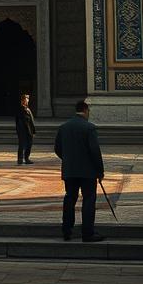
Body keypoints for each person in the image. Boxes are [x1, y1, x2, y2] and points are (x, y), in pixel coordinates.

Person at [54, 99, 105, 242]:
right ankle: (87, 232)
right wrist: (100, 171)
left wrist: (68, 160)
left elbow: (57, 149)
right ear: (86, 110)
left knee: (70, 198)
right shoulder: (89, 128)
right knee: (89, 199)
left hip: (69, 170)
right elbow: (95, 151)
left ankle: (67, 230)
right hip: (87, 171)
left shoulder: (64, 127)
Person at [15, 92, 36, 165]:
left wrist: (33, 131)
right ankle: (20, 159)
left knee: (29, 145)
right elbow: (22, 121)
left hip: (29, 130)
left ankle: (26, 158)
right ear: (23, 100)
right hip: (23, 131)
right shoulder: (21, 109)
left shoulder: (27, 109)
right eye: (26, 99)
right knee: (22, 145)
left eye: (28, 99)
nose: (27, 100)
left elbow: (31, 122)